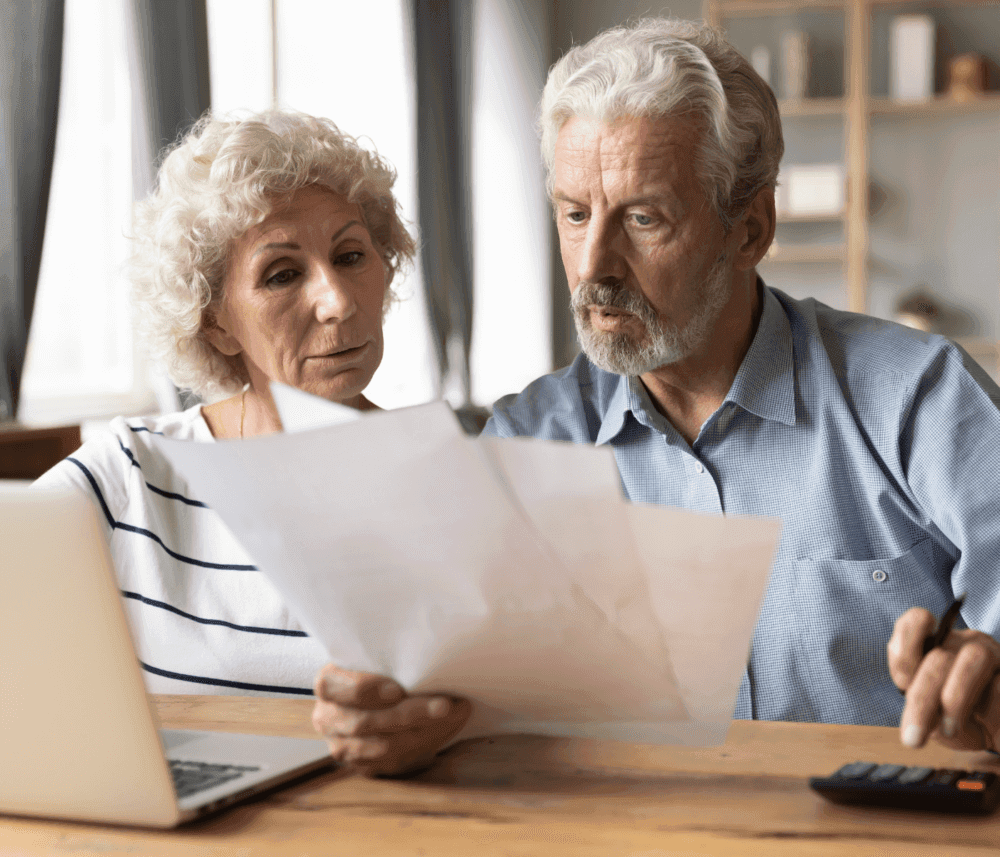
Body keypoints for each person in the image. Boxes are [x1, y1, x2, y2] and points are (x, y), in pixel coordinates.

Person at [482, 18, 1000, 754]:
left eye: (642, 217)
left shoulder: (919, 400)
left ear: (750, 229)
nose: (594, 264)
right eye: (573, 214)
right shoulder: (525, 443)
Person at [34, 109, 470, 775]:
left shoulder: (456, 479)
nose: (337, 300)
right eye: (281, 274)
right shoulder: (132, 476)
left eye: (351, 256)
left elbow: (516, 708)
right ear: (216, 324)